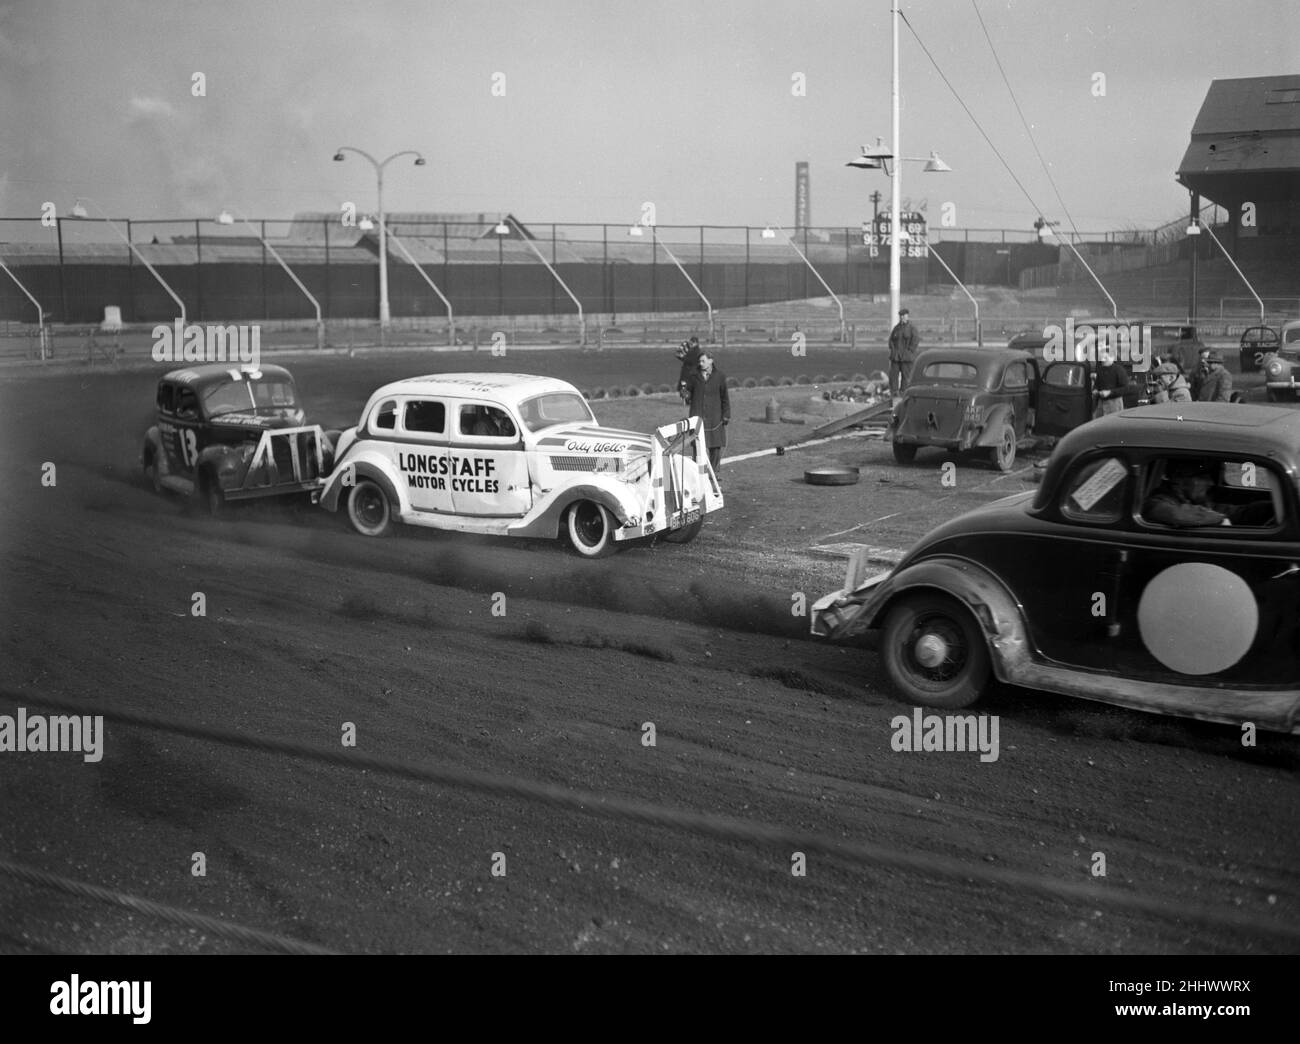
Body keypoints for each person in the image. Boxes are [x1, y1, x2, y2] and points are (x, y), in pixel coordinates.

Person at [1142, 458, 1271, 528]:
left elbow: (1232, 512)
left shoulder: (1195, 500)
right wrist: (1220, 520)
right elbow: (1177, 514)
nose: (1210, 482)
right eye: (1202, 477)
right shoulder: (1157, 502)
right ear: (1180, 479)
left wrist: (1269, 508)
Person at [684, 352, 730, 475]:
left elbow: (725, 397)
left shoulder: (720, 376)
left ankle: (713, 474)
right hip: (697, 416)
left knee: (715, 446)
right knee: (697, 447)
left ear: (711, 361)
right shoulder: (694, 376)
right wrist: (685, 394)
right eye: (699, 361)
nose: (700, 363)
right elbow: (688, 394)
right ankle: (697, 474)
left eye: (703, 361)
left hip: (715, 417)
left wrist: (726, 415)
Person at [887, 308, 919, 398]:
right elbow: (891, 340)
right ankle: (894, 393)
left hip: (907, 357)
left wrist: (909, 351)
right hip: (896, 357)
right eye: (901, 316)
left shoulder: (912, 328)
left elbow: (915, 340)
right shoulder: (896, 328)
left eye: (904, 316)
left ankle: (903, 393)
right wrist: (893, 350)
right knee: (893, 375)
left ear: (907, 316)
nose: (902, 317)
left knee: (906, 377)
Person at [1092, 346, 1129, 417]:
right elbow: (1097, 384)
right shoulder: (1100, 370)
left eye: (1105, 358)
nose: (1103, 360)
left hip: (1115, 404)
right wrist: (1095, 390)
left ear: (1112, 358)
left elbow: (1125, 389)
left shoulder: (1119, 370)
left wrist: (1110, 392)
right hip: (1101, 404)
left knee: (1113, 426)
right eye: (1102, 358)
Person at [675, 336, 702, 403]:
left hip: (688, 371)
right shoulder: (698, 350)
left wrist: (681, 357)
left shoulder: (693, 351)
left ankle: (687, 400)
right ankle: (689, 400)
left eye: (691, 343)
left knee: (686, 386)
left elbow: (688, 360)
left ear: (695, 342)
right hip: (694, 371)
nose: (690, 344)